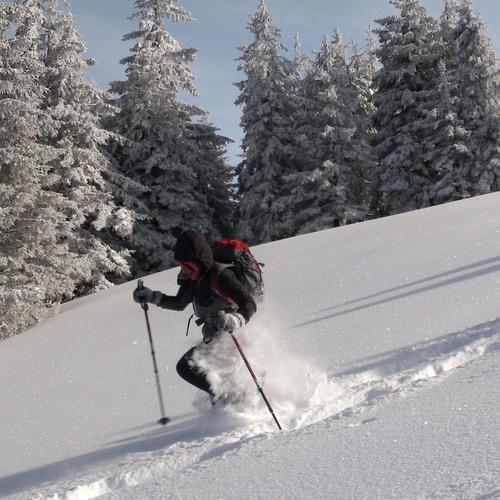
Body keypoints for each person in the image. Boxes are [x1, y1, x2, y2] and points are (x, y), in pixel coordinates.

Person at [133, 229, 257, 403]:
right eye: (182, 265)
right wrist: (151, 296)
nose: (184, 270)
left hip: (234, 336)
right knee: (206, 373)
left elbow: (249, 303)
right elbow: (178, 303)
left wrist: (235, 319)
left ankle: (237, 401)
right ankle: (234, 403)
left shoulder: (221, 275)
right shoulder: (194, 278)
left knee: (187, 367)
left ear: (199, 261)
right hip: (216, 337)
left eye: (187, 265)